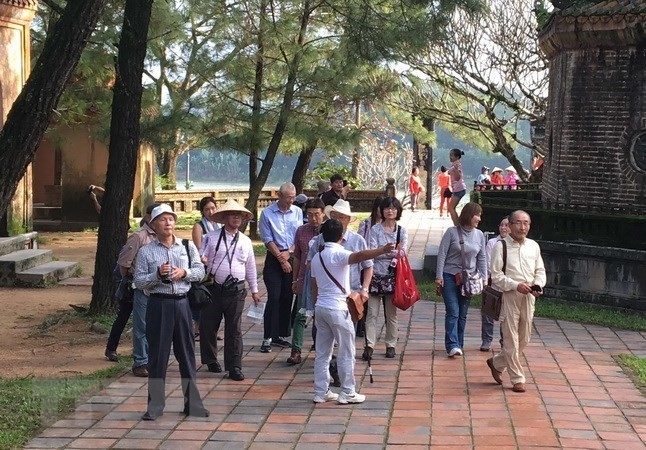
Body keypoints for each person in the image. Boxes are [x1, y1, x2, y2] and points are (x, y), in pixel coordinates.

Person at [134, 204, 208, 421]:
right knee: (157, 356)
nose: (168, 223)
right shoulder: (146, 251)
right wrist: (157, 275)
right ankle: (155, 406)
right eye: (163, 219)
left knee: (187, 355)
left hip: (183, 304)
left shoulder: (186, 246)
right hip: (158, 304)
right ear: (154, 224)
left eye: (171, 219)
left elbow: (200, 271)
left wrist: (183, 272)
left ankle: (192, 404)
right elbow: (138, 282)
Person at [310, 218, 394, 405]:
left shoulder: (316, 257)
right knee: (346, 351)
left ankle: (321, 391)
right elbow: (360, 256)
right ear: (342, 236)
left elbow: (314, 286)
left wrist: (316, 307)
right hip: (338, 308)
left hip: (321, 307)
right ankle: (347, 391)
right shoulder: (339, 254)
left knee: (322, 353)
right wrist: (382, 250)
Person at [200, 199, 261, 381]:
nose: (236, 218)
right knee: (209, 326)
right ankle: (210, 359)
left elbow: (250, 267)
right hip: (213, 288)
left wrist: (255, 290)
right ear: (224, 217)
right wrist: (202, 259)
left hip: (236, 290)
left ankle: (234, 366)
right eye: (233, 214)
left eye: (240, 215)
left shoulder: (245, 241)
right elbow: (199, 256)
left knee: (234, 329)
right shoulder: (210, 237)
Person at [486, 210, 545, 393]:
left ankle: (496, 362)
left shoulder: (533, 246)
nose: (522, 227)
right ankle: (517, 378)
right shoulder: (501, 246)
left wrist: (538, 285)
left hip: (528, 297)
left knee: (524, 338)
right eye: (518, 223)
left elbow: (540, 270)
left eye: (526, 223)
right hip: (509, 296)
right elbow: (496, 276)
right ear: (510, 225)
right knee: (511, 338)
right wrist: (514, 285)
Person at [309, 199, 374, 342]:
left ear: (349, 220)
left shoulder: (357, 240)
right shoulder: (320, 239)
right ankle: (329, 360)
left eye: (342, 217)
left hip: (351, 295)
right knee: (323, 339)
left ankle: (342, 362)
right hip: (326, 296)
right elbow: (310, 264)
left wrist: (364, 289)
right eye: (335, 216)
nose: (338, 220)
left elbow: (368, 265)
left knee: (347, 339)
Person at [104, 202, 159, 370]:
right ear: (149, 217)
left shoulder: (161, 236)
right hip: (134, 285)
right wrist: (127, 281)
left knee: (149, 322)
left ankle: (147, 355)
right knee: (125, 317)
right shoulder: (138, 236)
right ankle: (112, 348)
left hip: (154, 286)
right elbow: (123, 263)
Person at [435, 202, 487, 357]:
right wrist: (439, 276)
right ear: (469, 215)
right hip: (449, 276)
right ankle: (452, 344)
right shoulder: (451, 232)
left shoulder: (479, 235)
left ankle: (459, 344)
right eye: (477, 215)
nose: (479, 218)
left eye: (480, 215)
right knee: (453, 311)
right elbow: (442, 254)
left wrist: (485, 278)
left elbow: (482, 257)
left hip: (469, 279)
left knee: (463, 313)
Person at [258, 182, 303, 352]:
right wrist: (280, 257)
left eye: (293, 197)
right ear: (279, 196)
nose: (291, 201)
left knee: (287, 296)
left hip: (291, 255)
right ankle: (267, 336)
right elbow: (267, 239)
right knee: (274, 296)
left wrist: (290, 253)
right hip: (274, 257)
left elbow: (298, 235)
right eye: (288, 198)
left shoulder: (297, 212)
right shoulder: (267, 213)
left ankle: (281, 334)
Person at [363, 196, 408, 361]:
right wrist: (387, 251)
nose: (390, 211)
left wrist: (383, 252)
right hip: (375, 275)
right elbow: (372, 251)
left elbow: (402, 253)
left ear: (398, 211)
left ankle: (391, 345)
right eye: (387, 208)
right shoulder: (375, 229)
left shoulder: (402, 231)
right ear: (382, 211)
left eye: (394, 208)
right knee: (372, 313)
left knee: (391, 314)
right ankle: (369, 345)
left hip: (393, 277)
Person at [287, 198, 326, 364]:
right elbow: (297, 256)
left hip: (323, 281)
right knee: (300, 315)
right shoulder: (301, 231)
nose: (313, 218)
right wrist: (295, 279)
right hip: (304, 277)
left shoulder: (329, 231)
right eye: (309, 215)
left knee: (320, 316)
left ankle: (320, 349)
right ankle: (296, 350)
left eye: (317, 214)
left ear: (323, 214)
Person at [191, 196, 221, 340]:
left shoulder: (221, 225)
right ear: (202, 211)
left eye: (213, 208)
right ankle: (198, 329)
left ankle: (213, 330)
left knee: (216, 299)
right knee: (202, 297)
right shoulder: (199, 226)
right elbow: (198, 248)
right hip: (203, 267)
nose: (210, 212)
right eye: (207, 209)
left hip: (219, 266)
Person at [480, 215, 510, 352]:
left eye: (506, 225)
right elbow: (487, 262)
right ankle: (487, 340)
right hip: (492, 282)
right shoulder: (493, 243)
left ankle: (505, 341)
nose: (503, 228)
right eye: (501, 225)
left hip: (508, 285)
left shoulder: (514, 244)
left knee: (506, 316)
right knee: (488, 314)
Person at [356, 196, 383, 338]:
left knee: (374, 299)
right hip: (365, 264)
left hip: (380, 267)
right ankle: (360, 324)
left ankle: (367, 326)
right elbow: (360, 243)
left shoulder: (388, 226)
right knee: (363, 294)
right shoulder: (366, 224)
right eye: (381, 207)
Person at [447, 148, 467, 225]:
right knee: (451, 208)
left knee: (451, 208)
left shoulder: (457, 165)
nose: (450, 157)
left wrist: (455, 169)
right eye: (450, 155)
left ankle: (458, 226)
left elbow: (458, 178)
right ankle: (458, 225)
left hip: (459, 189)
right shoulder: (455, 164)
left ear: (457, 157)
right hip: (457, 189)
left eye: (452, 155)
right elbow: (449, 172)